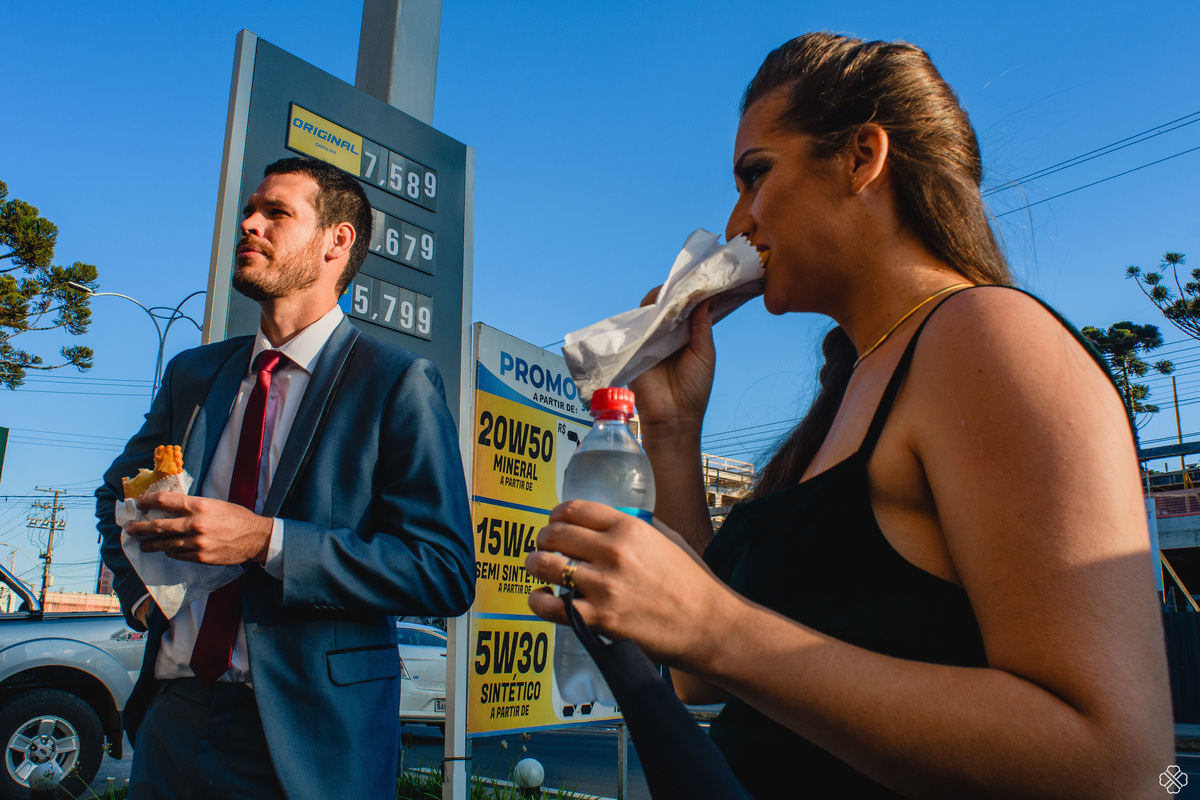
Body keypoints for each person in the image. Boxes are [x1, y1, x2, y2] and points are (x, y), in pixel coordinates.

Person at [527, 32, 1173, 799]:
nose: (738, 224)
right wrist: (671, 432)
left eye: (755, 176)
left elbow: (1126, 767)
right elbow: (703, 676)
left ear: (862, 157)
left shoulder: (986, 338)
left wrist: (720, 630)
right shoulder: (856, 382)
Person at [96, 157, 475, 800]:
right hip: (173, 718)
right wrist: (140, 597)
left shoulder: (395, 381)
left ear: (337, 240)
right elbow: (115, 496)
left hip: (311, 746)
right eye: (251, 210)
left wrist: (265, 542)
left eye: (276, 213)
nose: (249, 224)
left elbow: (442, 570)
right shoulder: (195, 374)